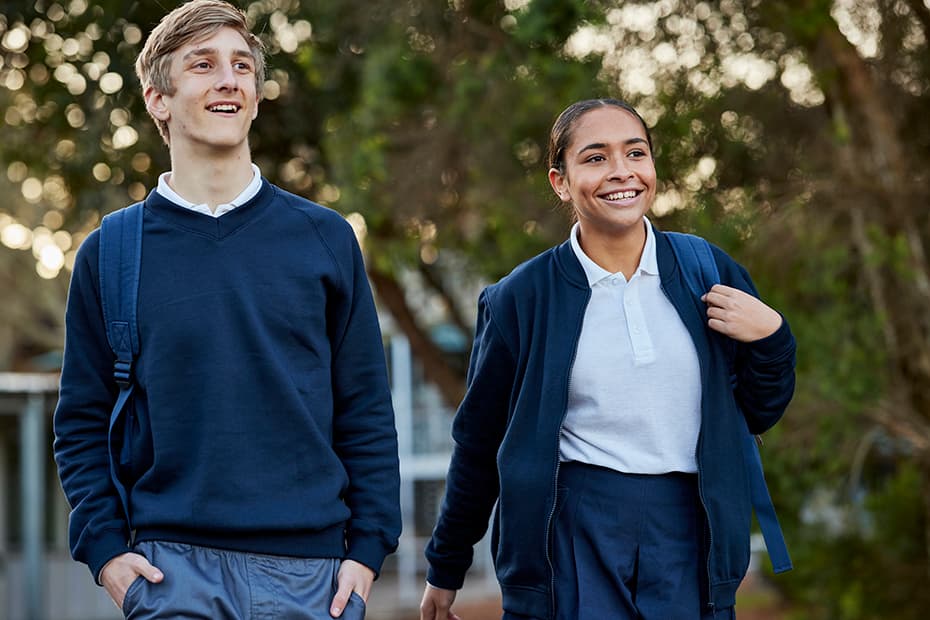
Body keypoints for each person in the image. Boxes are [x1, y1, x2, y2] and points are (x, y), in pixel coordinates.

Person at [53, 1, 401, 618]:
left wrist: (368, 548)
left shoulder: (324, 238)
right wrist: (106, 553)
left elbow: (365, 408)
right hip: (169, 572)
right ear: (159, 99)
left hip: (314, 577)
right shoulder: (110, 253)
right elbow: (81, 420)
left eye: (242, 65)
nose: (228, 79)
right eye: (203, 64)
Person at [419, 98, 796, 620]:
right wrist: (446, 565)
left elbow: (758, 412)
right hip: (572, 532)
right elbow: (480, 443)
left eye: (635, 153)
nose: (622, 172)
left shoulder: (707, 270)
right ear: (560, 181)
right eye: (595, 158)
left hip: (692, 527)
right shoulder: (520, 299)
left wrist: (775, 338)